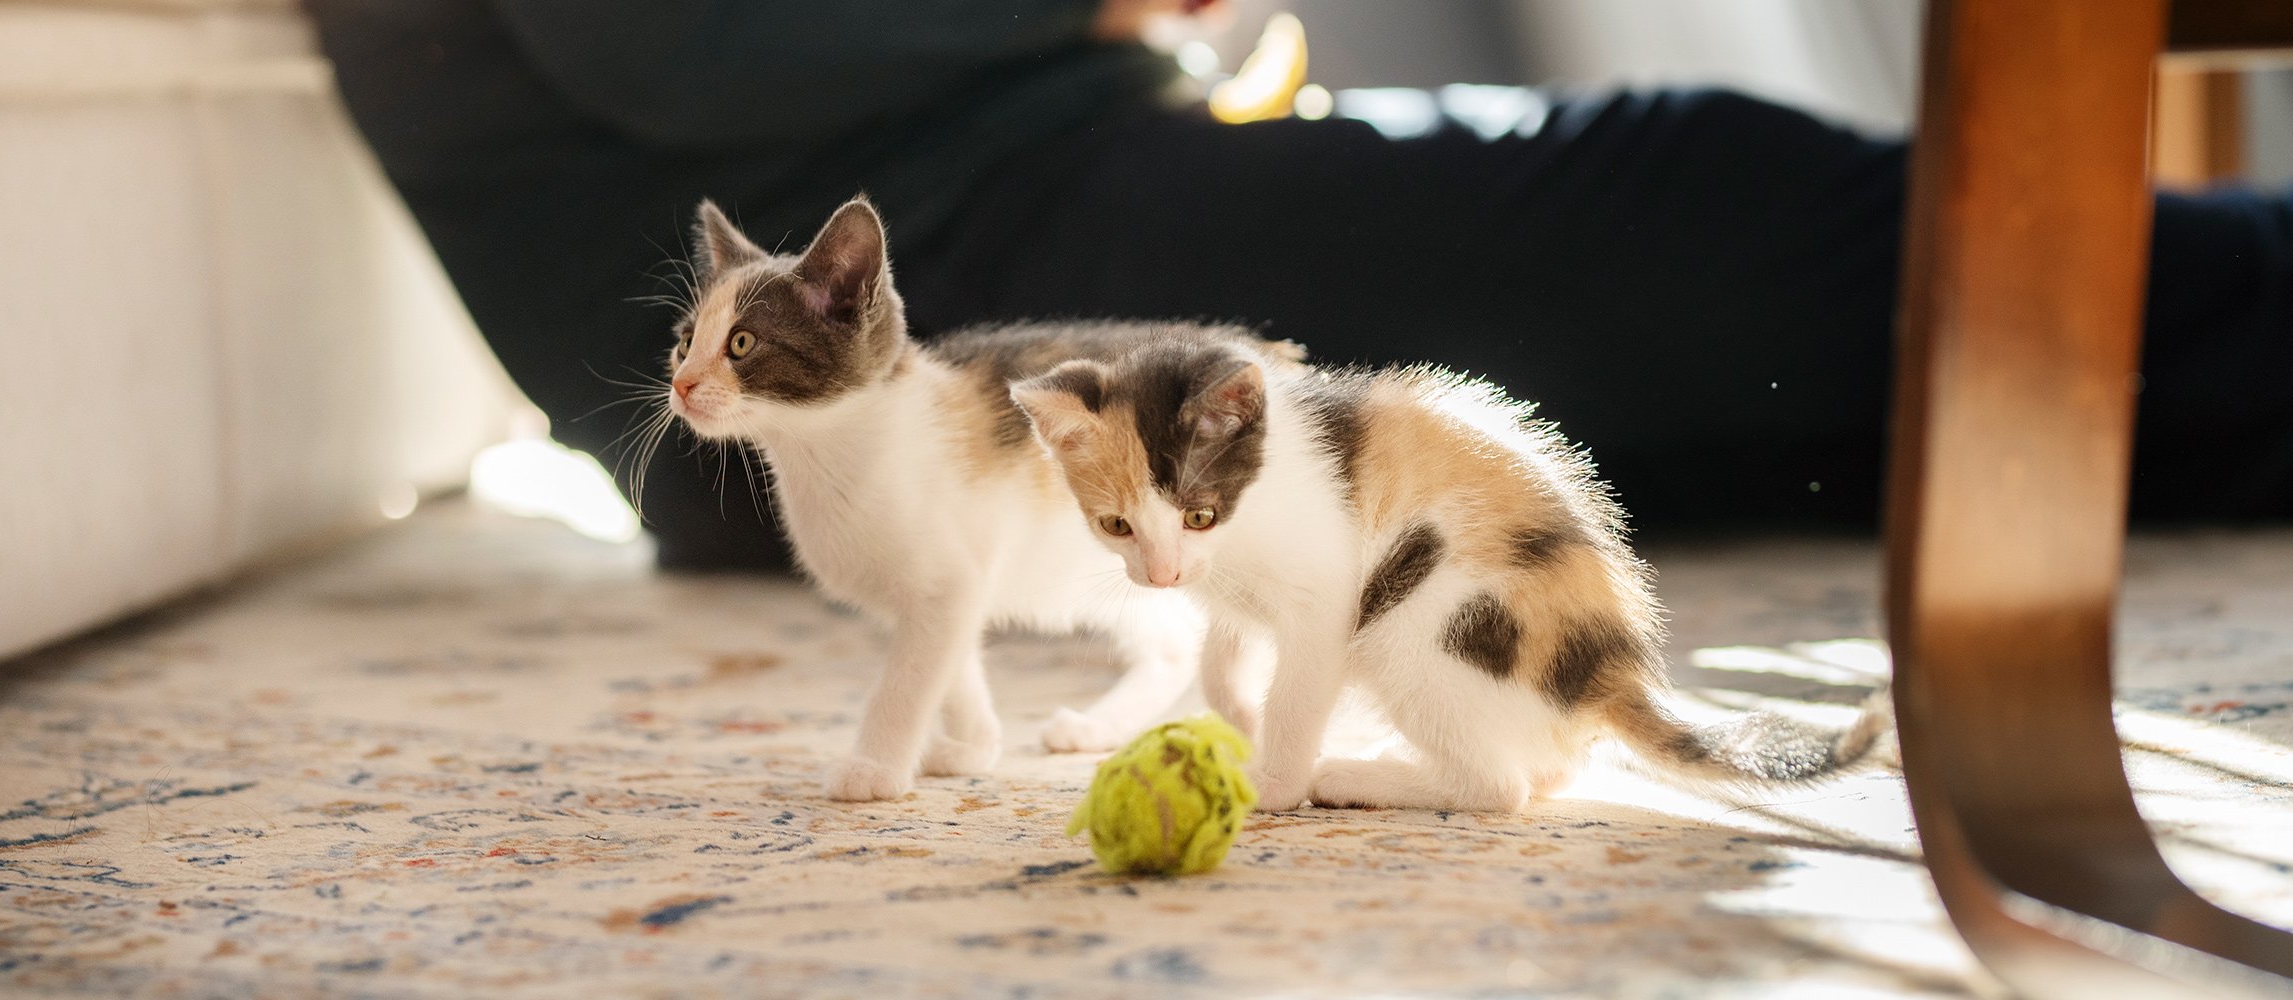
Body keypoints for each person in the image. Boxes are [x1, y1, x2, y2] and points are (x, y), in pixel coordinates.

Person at [303, 0, 2293, 572]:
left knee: (1691, 415)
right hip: (882, 332)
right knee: (1686, 197)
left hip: (1022, 185)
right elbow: (665, 48)